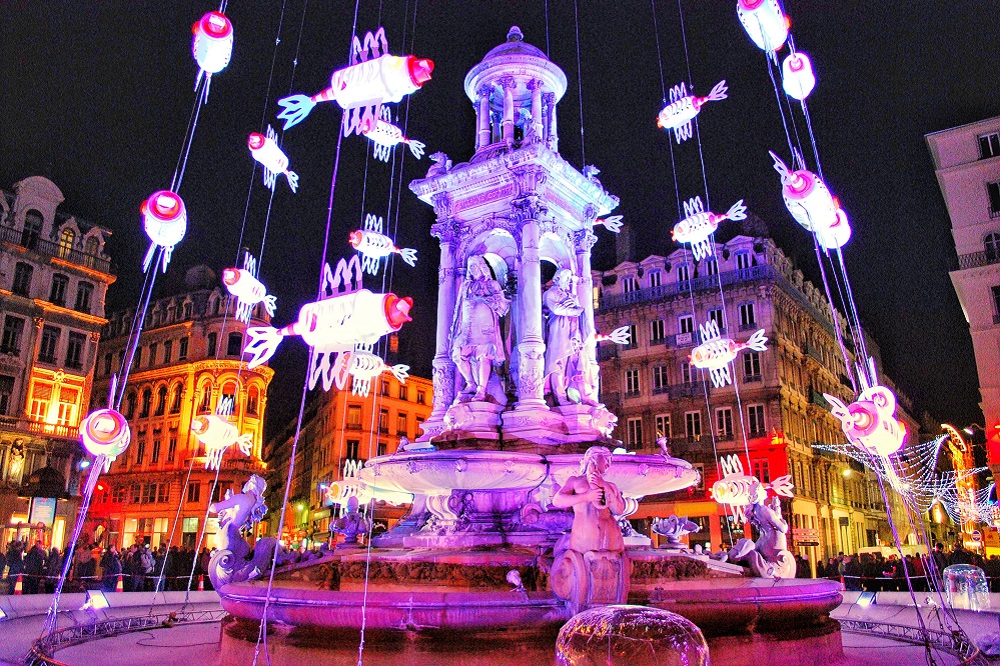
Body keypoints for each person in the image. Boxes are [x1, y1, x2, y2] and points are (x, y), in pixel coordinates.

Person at [450, 255, 510, 403]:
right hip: (466, 326)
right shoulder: (466, 285)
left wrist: (486, 299)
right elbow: (459, 307)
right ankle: (470, 383)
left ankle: (481, 389)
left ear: (483, 267)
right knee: (458, 354)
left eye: (475, 266)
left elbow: (503, 307)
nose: (472, 269)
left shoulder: (492, 284)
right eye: (470, 267)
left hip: (485, 326)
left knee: (483, 356)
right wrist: (455, 326)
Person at [551, 446, 625, 553]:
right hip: (584, 535)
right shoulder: (575, 481)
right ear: (594, 458)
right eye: (606, 459)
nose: (609, 464)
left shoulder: (611, 486)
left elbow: (618, 510)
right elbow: (557, 501)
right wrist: (587, 497)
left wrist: (602, 484)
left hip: (610, 534)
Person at [543, 269, 587, 406]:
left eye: (569, 278)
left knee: (569, 364)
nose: (568, 281)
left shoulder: (569, 295)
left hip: (571, 330)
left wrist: (576, 308)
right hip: (558, 329)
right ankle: (559, 396)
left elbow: (578, 309)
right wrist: (576, 310)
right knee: (557, 362)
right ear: (557, 278)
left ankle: (570, 393)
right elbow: (556, 309)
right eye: (566, 278)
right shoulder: (550, 293)